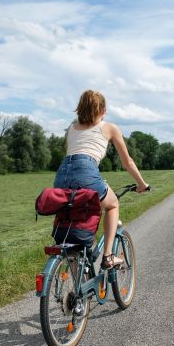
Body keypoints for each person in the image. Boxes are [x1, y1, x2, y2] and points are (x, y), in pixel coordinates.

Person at [53, 90, 148, 269]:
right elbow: (127, 162)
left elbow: (74, 153)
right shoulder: (109, 128)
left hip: (62, 176)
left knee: (74, 217)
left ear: (79, 109)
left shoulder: (72, 128)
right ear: (103, 110)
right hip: (87, 173)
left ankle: (76, 281)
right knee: (112, 205)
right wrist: (142, 184)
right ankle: (108, 256)